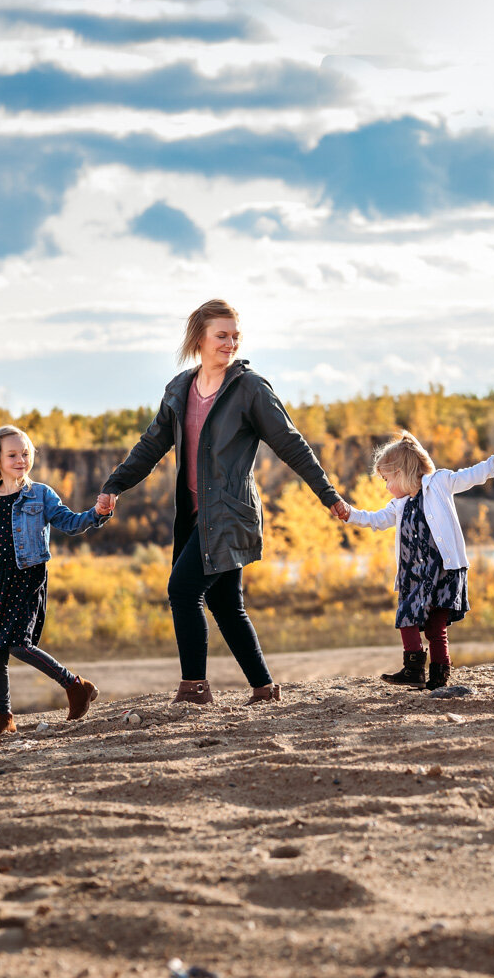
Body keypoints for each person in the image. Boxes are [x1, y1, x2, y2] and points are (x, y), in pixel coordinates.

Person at [97, 299, 346, 706]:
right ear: (199, 338)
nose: (230, 344)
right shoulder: (180, 389)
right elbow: (152, 444)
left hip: (230, 514)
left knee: (183, 590)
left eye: (235, 336)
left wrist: (328, 494)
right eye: (221, 335)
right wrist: (115, 484)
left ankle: (194, 688)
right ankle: (264, 689)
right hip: (197, 515)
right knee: (225, 602)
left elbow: (291, 444)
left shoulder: (250, 388)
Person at [0, 425, 111, 735]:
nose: (20, 459)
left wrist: (96, 513)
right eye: (12, 454)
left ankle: (74, 685)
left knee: (18, 644)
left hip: (27, 577)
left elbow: (69, 522)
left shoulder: (40, 494)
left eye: (25, 453)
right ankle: (4, 718)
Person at [334, 432, 494, 692]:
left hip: (444, 571)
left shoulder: (438, 483)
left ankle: (438, 676)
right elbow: (376, 519)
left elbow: (471, 475)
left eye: (386, 479)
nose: (386, 486)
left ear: (402, 472)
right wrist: (349, 514)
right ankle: (414, 669)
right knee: (407, 616)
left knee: (435, 626)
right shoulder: (399, 504)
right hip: (414, 575)